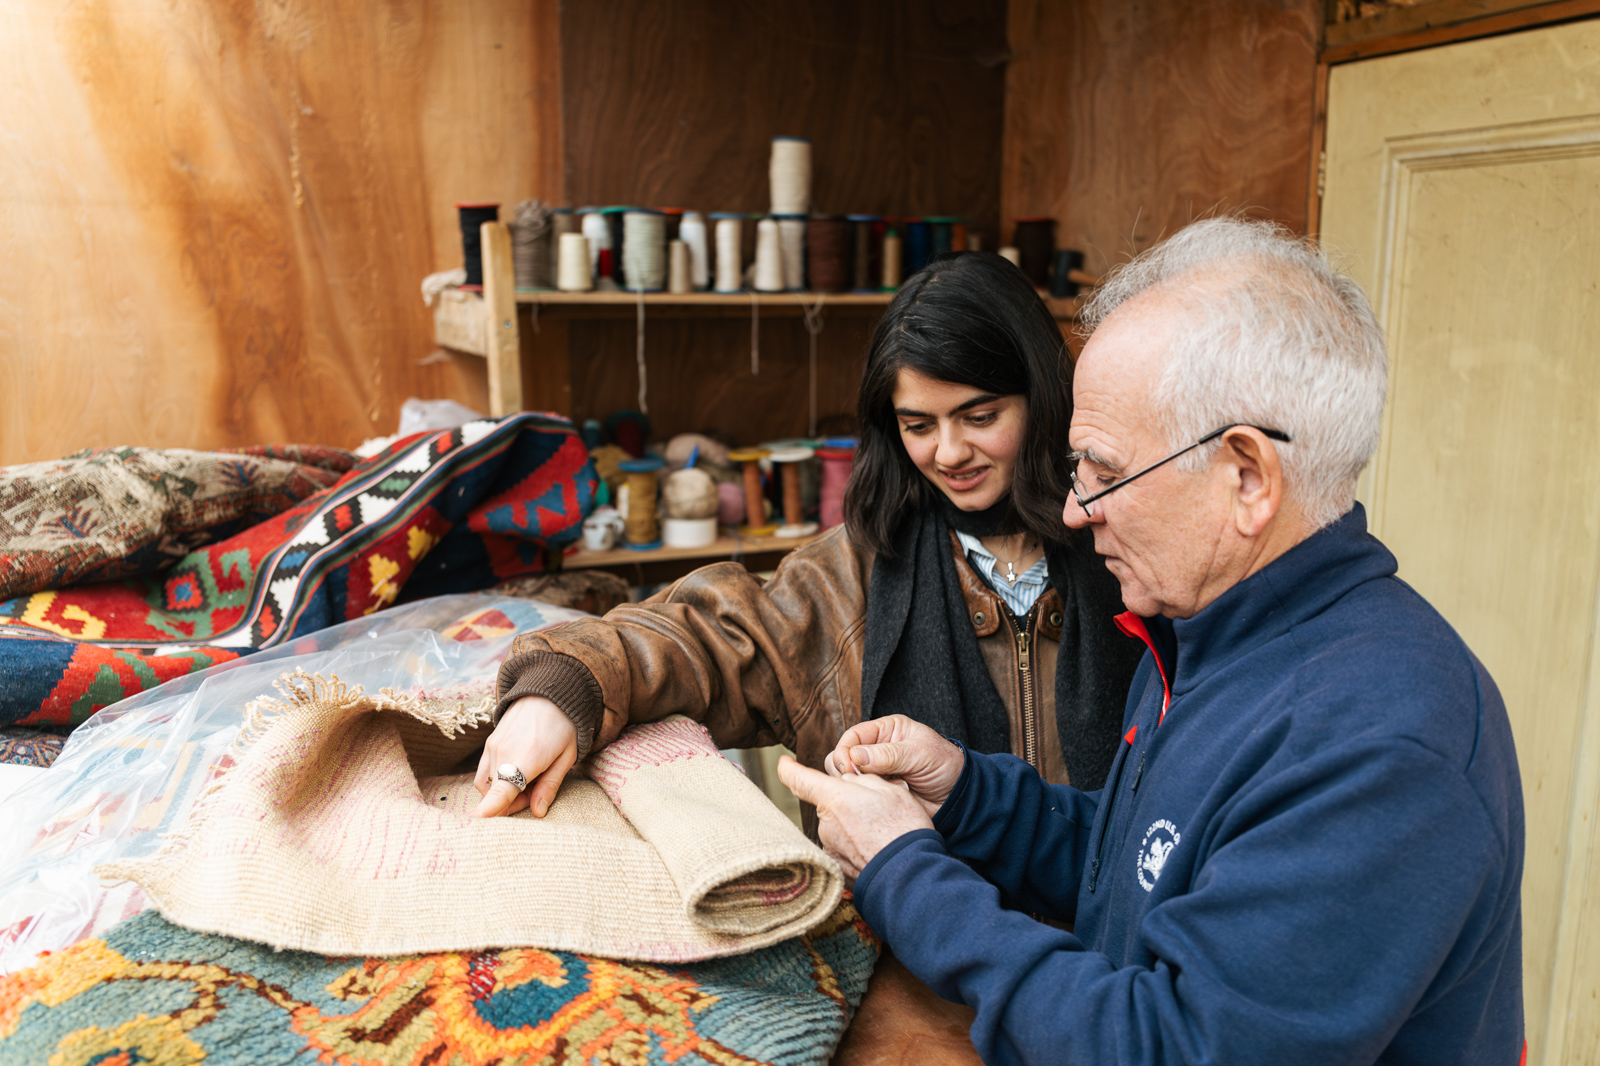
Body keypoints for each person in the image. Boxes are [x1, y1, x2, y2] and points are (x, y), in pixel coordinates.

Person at [778, 218, 1525, 1065]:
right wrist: (967, 794)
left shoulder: (1379, 746)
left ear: (1246, 477)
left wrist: (902, 866)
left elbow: (1164, 1049)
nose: (1072, 509)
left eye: (1103, 471)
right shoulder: (1202, 638)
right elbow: (1141, 867)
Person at [473, 251, 1144, 829]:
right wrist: (563, 689)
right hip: (910, 966)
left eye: (979, 416)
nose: (949, 452)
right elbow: (699, 639)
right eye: (917, 425)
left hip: (1115, 948)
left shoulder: (1131, 555)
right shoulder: (849, 577)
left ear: (1044, 397)